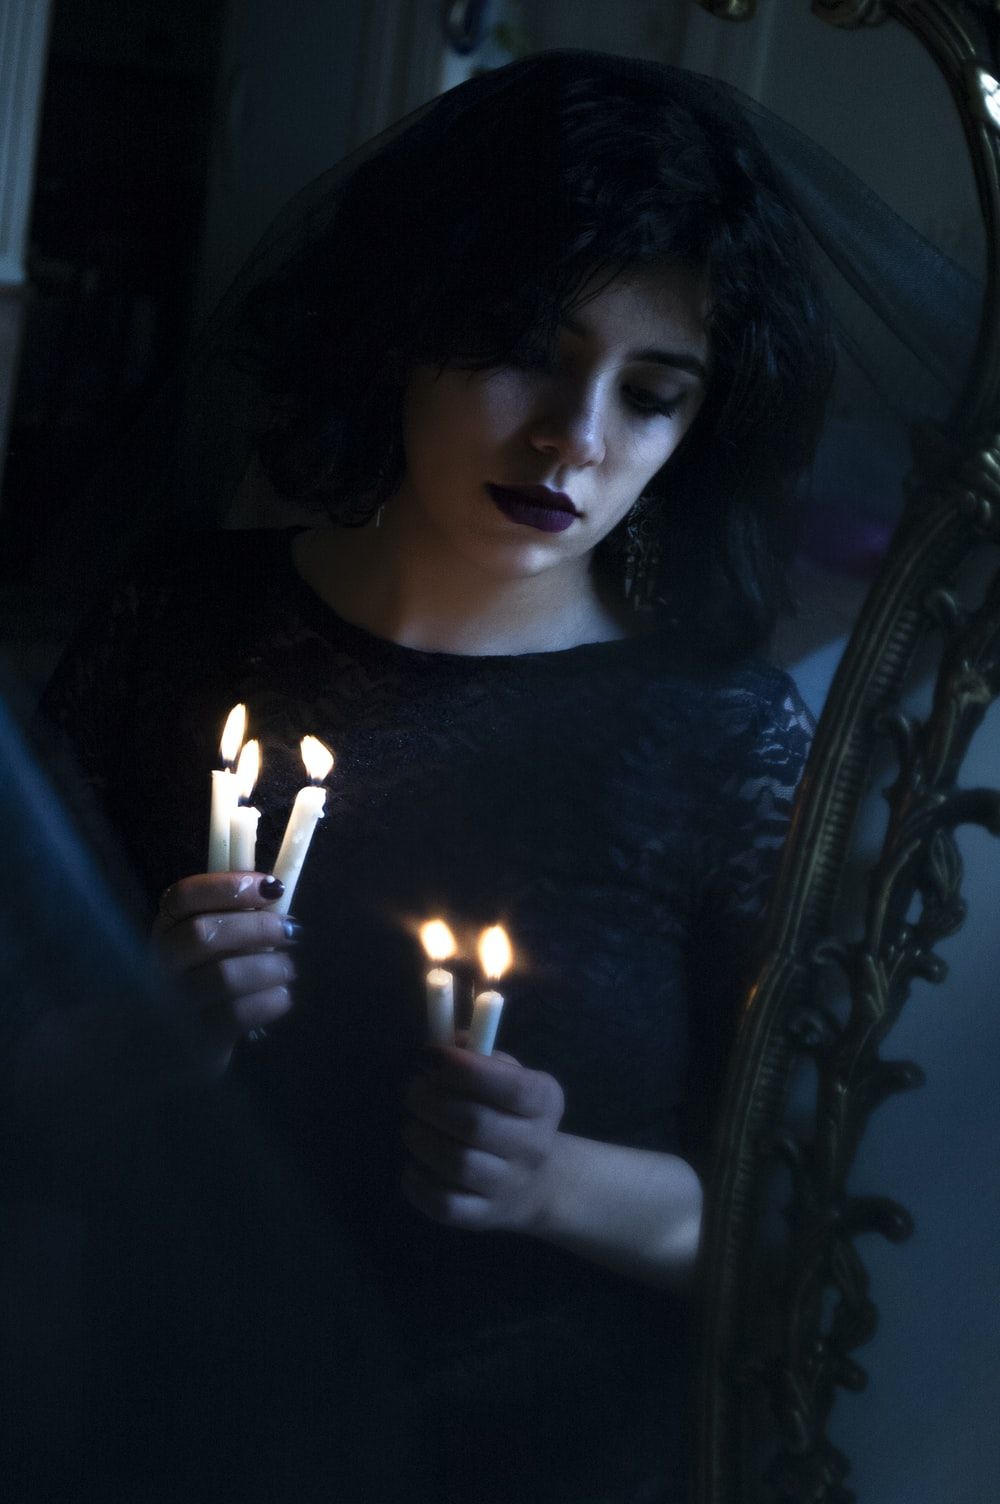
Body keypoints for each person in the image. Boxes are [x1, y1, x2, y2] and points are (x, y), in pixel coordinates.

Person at [36, 49, 962, 1503]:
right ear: (404, 326)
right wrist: (149, 1039)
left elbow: (821, 1229)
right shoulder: (177, 623)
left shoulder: (716, 738)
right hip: (161, 1420)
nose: (573, 440)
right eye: (527, 346)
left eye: (651, 394)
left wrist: (556, 1186)